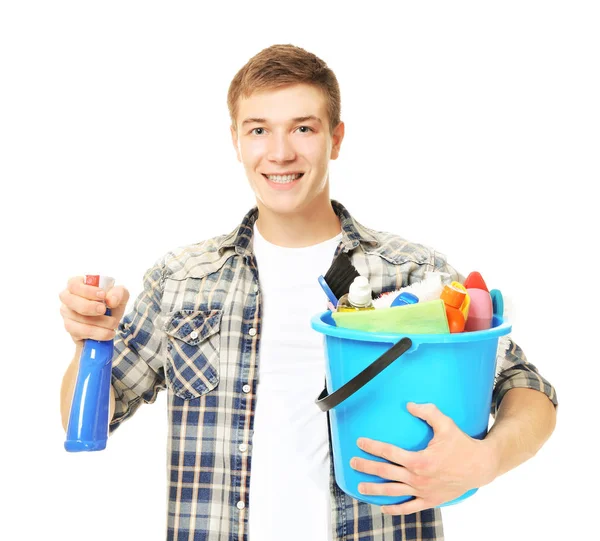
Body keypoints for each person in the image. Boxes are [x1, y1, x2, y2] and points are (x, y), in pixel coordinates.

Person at [59, 44, 558, 541]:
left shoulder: (414, 274)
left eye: (303, 127)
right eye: (258, 130)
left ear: (335, 139)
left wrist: (485, 460)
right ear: (236, 140)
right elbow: (84, 422)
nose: (280, 153)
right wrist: (93, 344)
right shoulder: (180, 279)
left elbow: (528, 390)